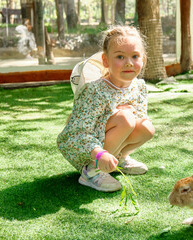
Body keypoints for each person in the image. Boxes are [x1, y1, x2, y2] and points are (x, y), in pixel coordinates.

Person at [57, 26, 155, 192]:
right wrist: (98, 154)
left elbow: (138, 120)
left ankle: (119, 159)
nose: (129, 63)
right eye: (120, 56)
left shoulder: (139, 87)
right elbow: (76, 134)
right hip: (84, 147)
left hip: (110, 140)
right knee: (126, 118)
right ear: (105, 61)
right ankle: (91, 171)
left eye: (135, 56)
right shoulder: (95, 90)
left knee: (146, 127)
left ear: (143, 60)